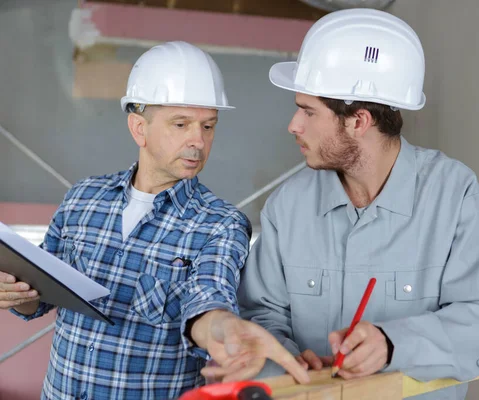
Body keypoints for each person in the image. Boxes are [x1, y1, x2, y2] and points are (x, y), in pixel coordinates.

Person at [0, 41, 308, 400]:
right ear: (138, 128)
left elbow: (210, 299)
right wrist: (14, 291)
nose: (198, 140)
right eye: (181, 124)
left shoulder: (220, 224)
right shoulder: (82, 198)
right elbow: (39, 295)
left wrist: (225, 329)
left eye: (208, 126)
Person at [235, 9, 479, 400]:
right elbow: (259, 314)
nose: (294, 125)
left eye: (308, 111)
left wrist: (391, 343)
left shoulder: (454, 196)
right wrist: (288, 357)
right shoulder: (289, 206)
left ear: (359, 121)